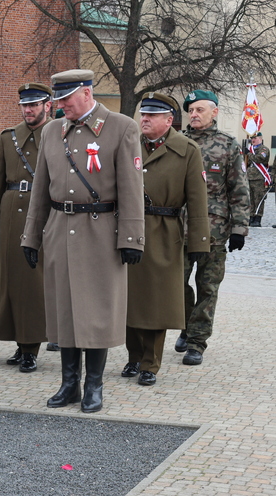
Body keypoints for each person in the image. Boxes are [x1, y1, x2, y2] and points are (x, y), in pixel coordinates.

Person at [21, 69, 144, 413]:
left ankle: (94, 386)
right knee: (64, 311)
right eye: (57, 100)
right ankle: (68, 384)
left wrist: (132, 238)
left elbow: (132, 189)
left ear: (87, 93)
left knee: (96, 313)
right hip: (60, 228)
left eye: (66, 99)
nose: (60, 106)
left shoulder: (121, 128)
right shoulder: (51, 131)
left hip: (101, 229)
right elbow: (40, 190)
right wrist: (31, 235)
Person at [120, 92, 210, 386]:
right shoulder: (129, 143)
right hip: (129, 229)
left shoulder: (187, 149)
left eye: (152, 115)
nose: (144, 119)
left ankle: (151, 363)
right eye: (143, 114)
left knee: (156, 302)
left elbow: (197, 201)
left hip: (165, 231)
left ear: (169, 120)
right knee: (129, 297)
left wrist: (199, 243)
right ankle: (133, 357)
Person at [0, 83, 52, 373]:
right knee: (11, 282)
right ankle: (20, 343)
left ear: (48, 105)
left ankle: (31, 346)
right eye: (25, 105)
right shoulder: (8, 138)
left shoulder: (59, 133)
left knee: (35, 285)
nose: (28, 110)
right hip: (11, 214)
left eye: (34, 104)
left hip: (45, 213)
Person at [177, 90, 250, 365]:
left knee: (208, 287)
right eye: (191, 110)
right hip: (179, 228)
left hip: (215, 231)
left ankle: (197, 342)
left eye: (199, 110)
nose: (193, 115)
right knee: (176, 283)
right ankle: (186, 325)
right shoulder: (178, 142)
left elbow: (239, 190)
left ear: (214, 112)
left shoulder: (228, 145)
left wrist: (239, 229)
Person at [246, 131, 270, 227]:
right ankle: (251, 217)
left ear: (260, 139)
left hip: (259, 178)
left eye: (255, 138)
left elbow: (259, 159)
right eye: (252, 139)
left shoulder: (263, 149)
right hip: (249, 177)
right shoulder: (251, 149)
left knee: (258, 199)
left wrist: (249, 154)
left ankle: (257, 218)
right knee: (250, 199)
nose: (253, 140)